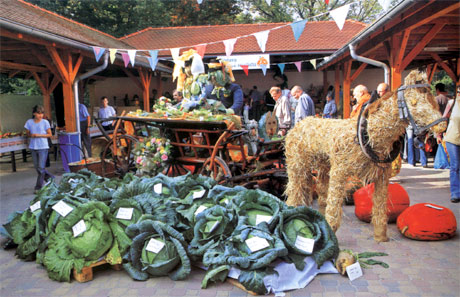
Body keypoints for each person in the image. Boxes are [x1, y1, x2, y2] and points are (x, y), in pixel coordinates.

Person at [24, 105, 54, 192]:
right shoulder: (29, 122)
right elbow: (27, 133)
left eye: (42, 113)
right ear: (34, 113)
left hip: (43, 146)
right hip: (33, 147)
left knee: (41, 167)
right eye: (38, 113)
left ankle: (38, 187)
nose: (40, 115)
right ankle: (50, 178)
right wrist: (31, 135)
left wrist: (39, 135)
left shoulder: (45, 122)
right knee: (37, 167)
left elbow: (50, 134)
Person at [439, 87, 460, 202]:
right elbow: (443, 119)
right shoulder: (452, 103)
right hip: (452, 139)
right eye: (458, 92)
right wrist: (438, 134)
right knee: (455, 166)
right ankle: (455, 193)